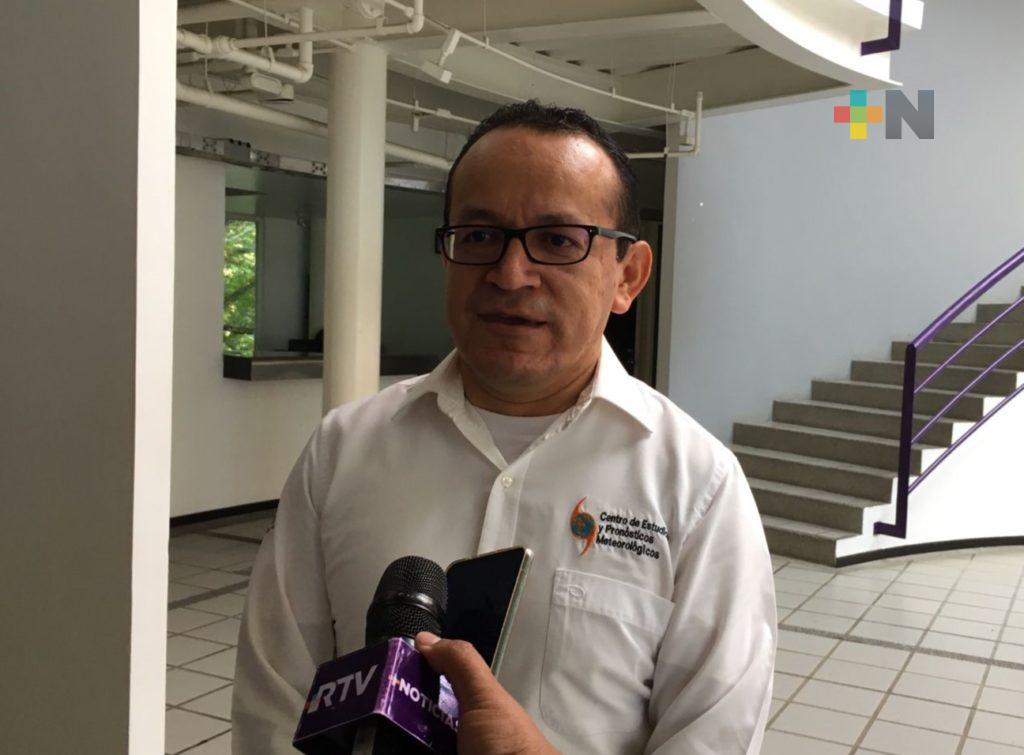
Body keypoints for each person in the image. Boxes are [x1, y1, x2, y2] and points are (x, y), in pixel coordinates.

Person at [232, 100, 776, 754]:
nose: (510, 274)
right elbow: (274, 709)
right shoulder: (343, 450)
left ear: (627, 276)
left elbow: (713, 737)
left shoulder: (698, 487)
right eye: (479, 236)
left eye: (559, 240)